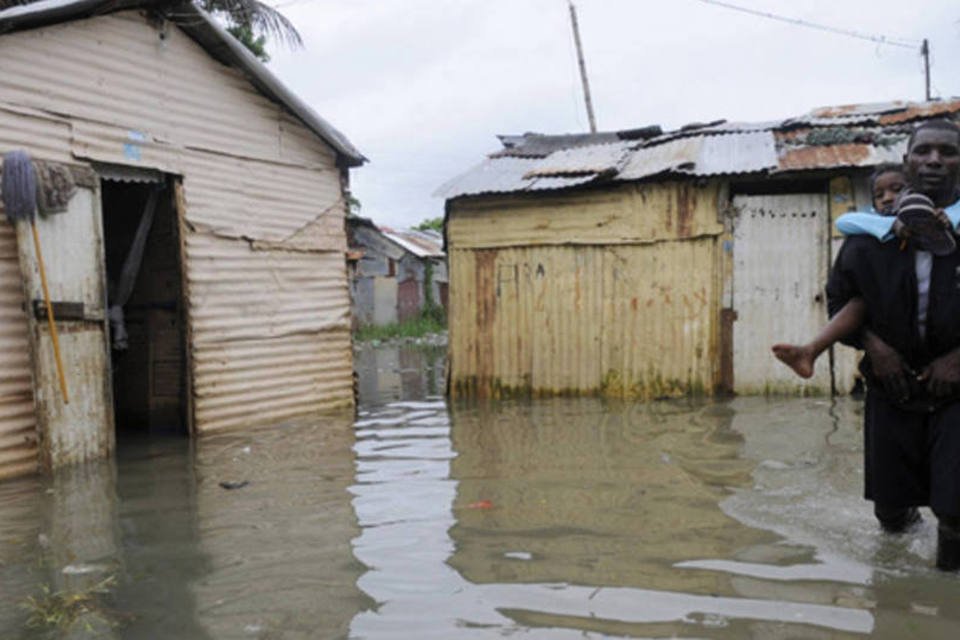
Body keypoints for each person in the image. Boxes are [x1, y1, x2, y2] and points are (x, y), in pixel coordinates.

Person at [826, 118, 960, 571]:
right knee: (890, 512)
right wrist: (874, 349)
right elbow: (840, 304)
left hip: (957, 390)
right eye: (924, 151)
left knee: (956, 511)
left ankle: (947, 605)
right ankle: (895, 608)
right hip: (893, 388)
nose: (935, 161)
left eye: (948, 152)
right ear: (907, 161)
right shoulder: (868, 241)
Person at [772, 165, 956, 379]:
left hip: (950, 384)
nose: (888, 198)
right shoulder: (865, 241)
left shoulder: (949, 230)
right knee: (860, 303)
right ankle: (811, 350)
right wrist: (873, 345)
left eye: (897, 189)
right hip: (889, 385)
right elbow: (837, 298)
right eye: (879, 195)